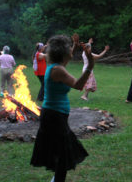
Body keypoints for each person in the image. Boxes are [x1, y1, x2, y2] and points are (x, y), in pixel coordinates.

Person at [31, 35, 94, 182]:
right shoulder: (58, 70)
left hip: (54, 114)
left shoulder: (52, 63)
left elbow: (65, 58)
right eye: (69, 51)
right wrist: (90, 66)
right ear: (64, 54)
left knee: (61, 151)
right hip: (55, 116)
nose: (71, 54)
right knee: (63, 154)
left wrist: (74, 45)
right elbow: (79, 85)